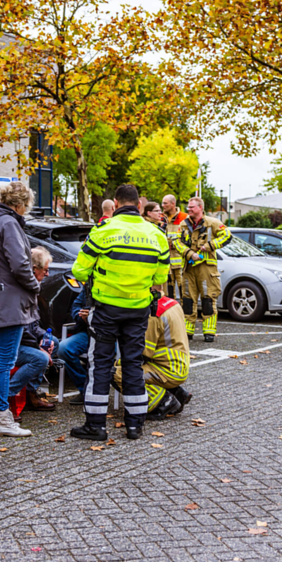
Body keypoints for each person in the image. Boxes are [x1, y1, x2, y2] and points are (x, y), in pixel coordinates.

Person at [70, 184, 170, 441]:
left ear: (115, 204)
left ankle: (95, 426)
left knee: (100, 365)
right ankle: (135, 426)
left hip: (106, 311)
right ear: (139, 205)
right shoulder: (157, 235)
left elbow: (79, 271)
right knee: (133, 365)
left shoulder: (102, 231)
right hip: (138, 310)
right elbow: (160, 276)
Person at [0, 181, 40, 437]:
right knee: (5, 360)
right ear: (19, 204)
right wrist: (34, 285)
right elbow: (19, 264)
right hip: (12, 298)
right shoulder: (10, 223)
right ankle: (2, 417)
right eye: (26, 206)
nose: (25, 210)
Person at [113, 291, 191, 420]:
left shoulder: (152, 315)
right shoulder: (171, 303)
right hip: (178, 365)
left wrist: (116, 363)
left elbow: (141, 354)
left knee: (117, 373)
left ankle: (163, 402)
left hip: (167, 370)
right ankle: (177, 392)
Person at [9, 247, 58, 416]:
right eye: (45, 270)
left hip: (25, 341)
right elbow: (20, 330)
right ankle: (5, 397)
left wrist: (46, 337)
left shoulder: (32, 290)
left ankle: (31, 393)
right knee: (41, 358)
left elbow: (33, 326)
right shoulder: (20, 293)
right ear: (34, 269)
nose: (47, 275)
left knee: (54, 342)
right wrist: (40, 348)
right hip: (13, 346)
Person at [179, 197, 232, 342]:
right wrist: (190, 253)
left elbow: (227, 235)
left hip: (207, 269)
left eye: (192, 207)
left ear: (200, 208)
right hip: (189, 268)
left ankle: (209, 332)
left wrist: (209, 246)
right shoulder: (184, 224)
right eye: (188, 207)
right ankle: (187, 332)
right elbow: (177, 242)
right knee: (188, 301)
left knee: (208, 300)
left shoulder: (213, 223)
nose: (189, 210)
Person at [56, 288, 91, 406]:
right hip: (87, 332)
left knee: (104, 354)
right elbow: (75, 306)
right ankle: (85, 388)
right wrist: (81, 316)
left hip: (111, 334)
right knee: (63, 348)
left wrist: (92, 315)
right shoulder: (90, 286)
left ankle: (98, 389)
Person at [161, 195, 187, 302]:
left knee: (183, 291)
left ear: (173, 204)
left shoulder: (184, 217)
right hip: (167, 263)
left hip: (180, 262)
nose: (163, 206)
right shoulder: (161, 217)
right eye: (162, 203)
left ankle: (183, 315)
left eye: (165, 203)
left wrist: (174, 243)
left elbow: (188, 239)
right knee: (169, 293)